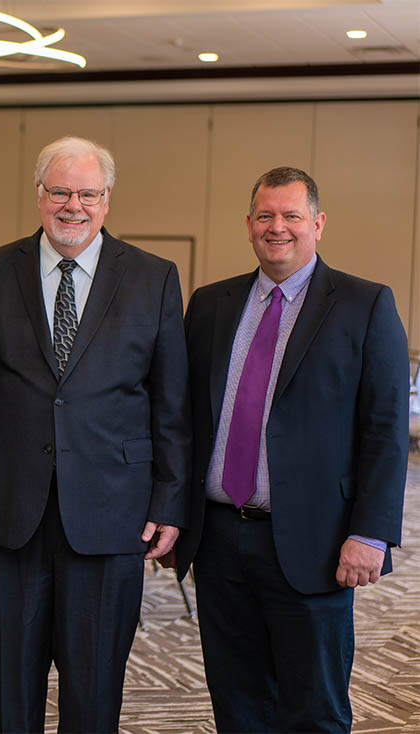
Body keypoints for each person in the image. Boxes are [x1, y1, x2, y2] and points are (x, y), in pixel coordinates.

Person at [0, 135, 191, 733]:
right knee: (10, 696)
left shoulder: (153, 277)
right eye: (60, 191)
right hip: (9, 515)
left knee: (93, 698)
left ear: (108, 199)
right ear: (38, 195)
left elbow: (171, 404)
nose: (73, 206)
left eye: (88, 193)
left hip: (113, 516)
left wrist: (169, 500)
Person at [175, 166, 408, 732]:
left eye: (291, 216)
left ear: (318, 223)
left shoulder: (364, 304)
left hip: (316, 541)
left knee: (314, 708)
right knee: (236, 701)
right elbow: (182, 419)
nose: (277, 227)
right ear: (248, 225)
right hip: (219, 537)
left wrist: (369, 532)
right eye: (265, 216)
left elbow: (386, 429)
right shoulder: (210, 304)